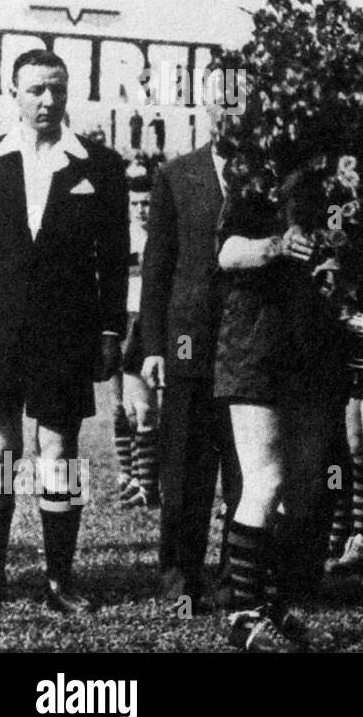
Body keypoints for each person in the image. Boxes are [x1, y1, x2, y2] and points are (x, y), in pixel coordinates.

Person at [0, 49, 128, 613]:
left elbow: (115, 257)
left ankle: (59, 581)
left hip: (68, 330)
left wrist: (112, 331)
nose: (47, 101)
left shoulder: (99, 164)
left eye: (57, 90)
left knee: (60, 451)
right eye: (36, 90)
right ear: (12, 92)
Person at [212, 132, 348, 651]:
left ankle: (272, 604)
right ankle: (243, 614)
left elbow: (346, 244)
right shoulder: (256, 177)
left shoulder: (341, 179)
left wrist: (341, 267)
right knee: (264, 481)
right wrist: (276, 245)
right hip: (257, 342)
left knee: (308, 490)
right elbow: (225, 251)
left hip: (312, 347)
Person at [140, 110, 243, 607]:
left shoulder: (267, 173)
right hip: (188, 341)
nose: (230, 117)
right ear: (206, 110)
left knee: (246, 466)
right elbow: (157, 266)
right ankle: (179, 573)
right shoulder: (176, 174)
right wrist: (154, 347)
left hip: (248, 340)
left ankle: (235, 578)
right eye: (220, 106)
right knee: (184, 467)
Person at [113, 170, 160, 509]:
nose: (142, 209)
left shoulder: (161, 236)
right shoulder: (120, 237)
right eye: (135, 203)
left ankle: (149, 486)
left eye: (147, 202)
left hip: (152, 323)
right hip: (122, 322)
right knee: (124, 408)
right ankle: (130, 476)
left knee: (146, 409)